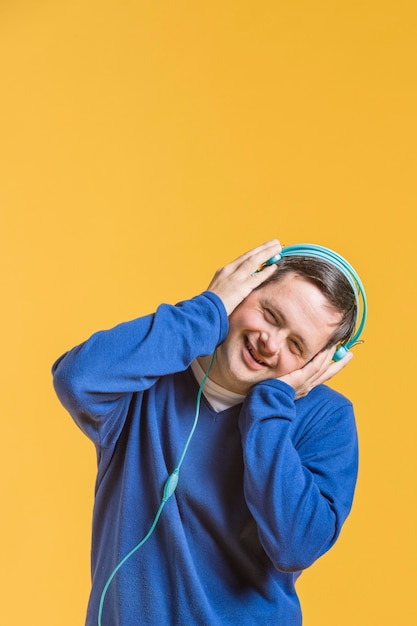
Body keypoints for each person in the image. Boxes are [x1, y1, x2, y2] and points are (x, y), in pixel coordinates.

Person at [52, 239, 360, 626]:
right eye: (270, 314)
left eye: (297, 345)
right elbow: (77, 379)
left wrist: (272, 406)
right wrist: (206, 311)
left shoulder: (325, 417)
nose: (270, 343)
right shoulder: (151, 370)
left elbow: (296, 544)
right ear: (243, 289)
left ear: (318, 365)